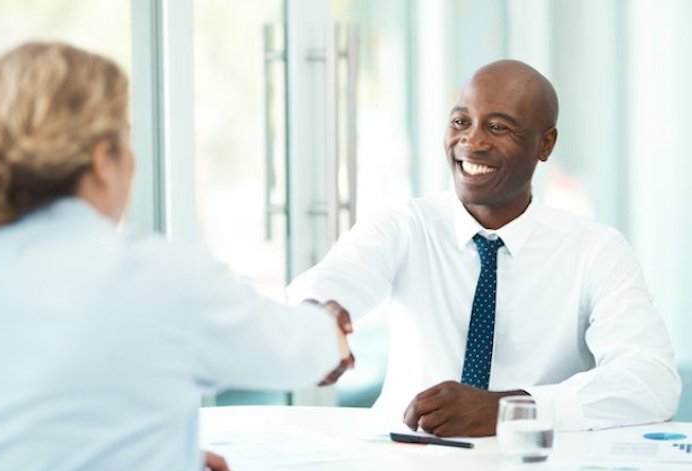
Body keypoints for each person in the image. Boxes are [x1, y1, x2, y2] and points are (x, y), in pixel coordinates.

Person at [0, 42, 353, 471]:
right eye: (127, 138)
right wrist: (328, 323)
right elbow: (303, 350)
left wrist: (157, 452)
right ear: (102, 160)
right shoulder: (155, 279)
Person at [288, 59, 682, 437]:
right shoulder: (405, 226)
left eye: (497, 127)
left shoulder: (595, 250)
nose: (471, 141)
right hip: (407, 461)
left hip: (535, 469)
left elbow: (651, 380)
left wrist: (508, 410)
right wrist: (319, 314)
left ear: (545, 144)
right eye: (461, 122)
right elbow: (331, 280)